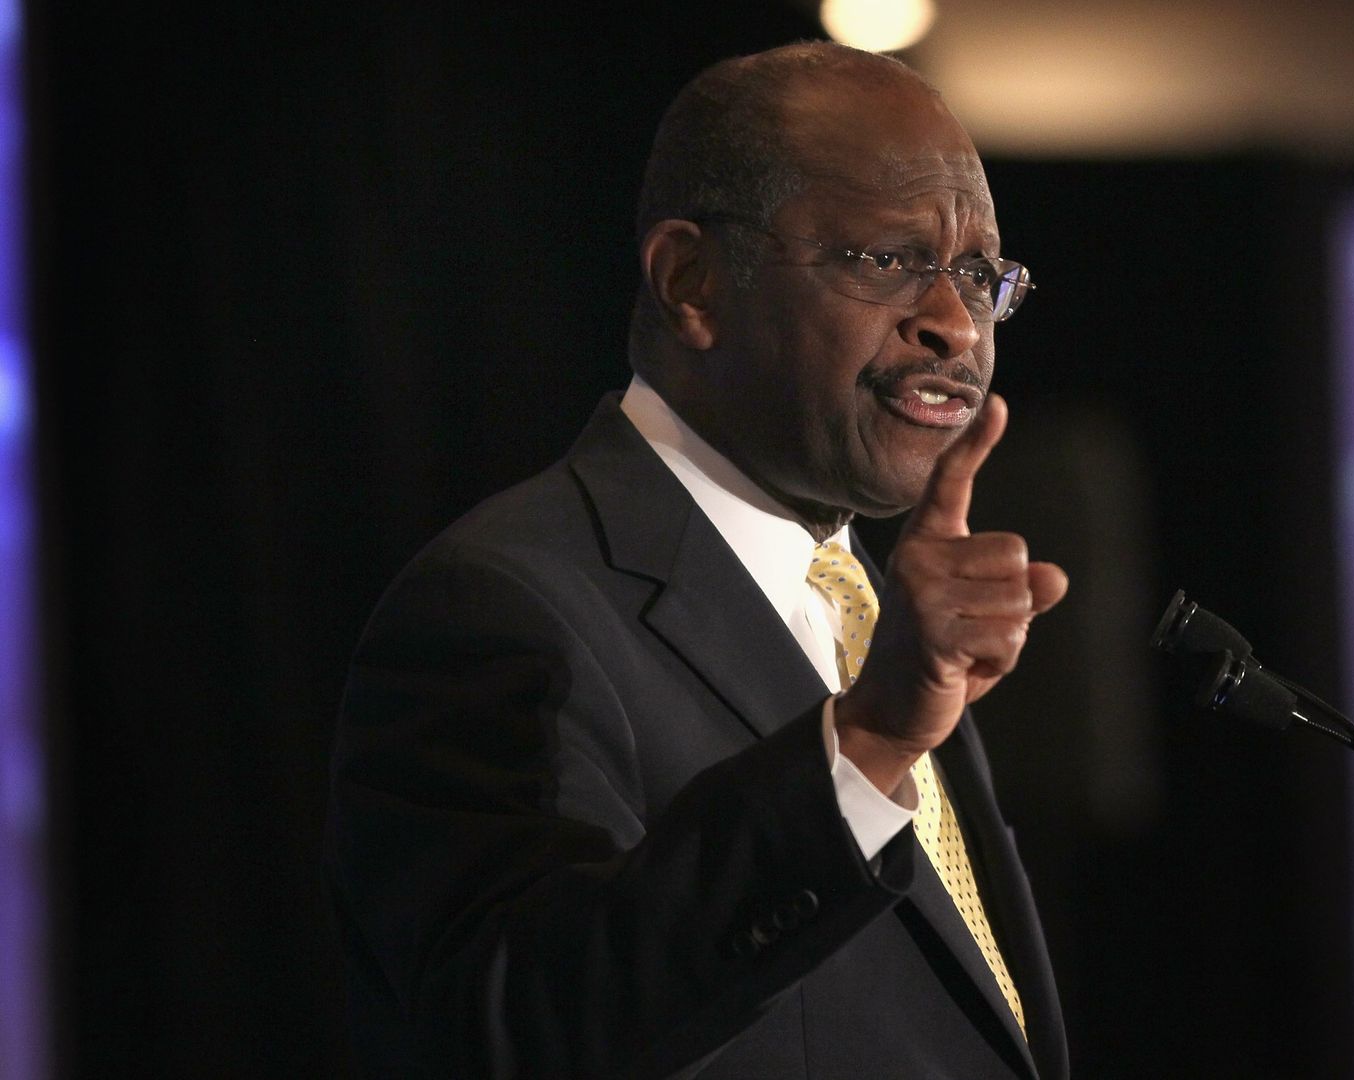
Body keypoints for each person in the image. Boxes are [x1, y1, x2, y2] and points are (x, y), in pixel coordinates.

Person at [327, 41, 1070, 1079]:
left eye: (982, 275)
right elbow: (513, 1033)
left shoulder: (875, 612)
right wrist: (863, 743)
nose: (955, 324)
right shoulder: (504, 607)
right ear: (693, 282)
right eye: (886, 261)